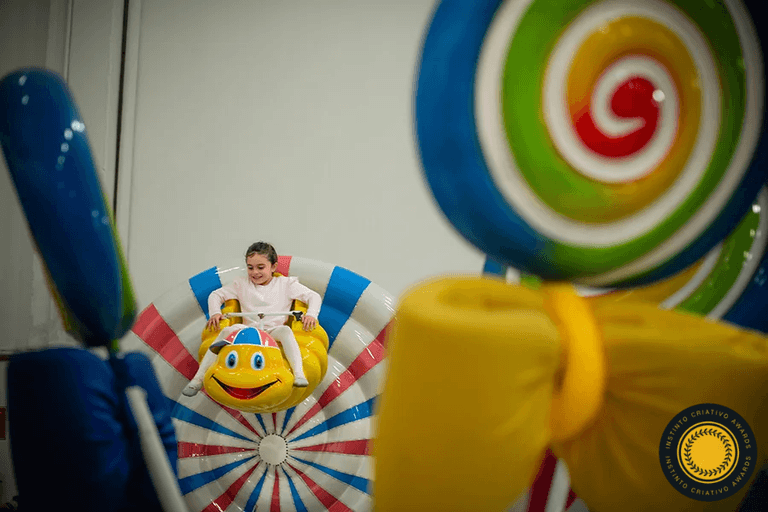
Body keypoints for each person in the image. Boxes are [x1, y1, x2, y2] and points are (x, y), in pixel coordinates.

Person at [182, 242, 321, 396]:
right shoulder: (241, 284)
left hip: (272, 332)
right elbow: (216, 295)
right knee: (227, 331)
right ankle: (198, 378)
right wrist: (215, 312)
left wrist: (311, 314)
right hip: (247, 332)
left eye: (261, 267)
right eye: (250, 267)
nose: (255, 272)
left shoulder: (286, 284)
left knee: (286, 331)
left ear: (273, 267)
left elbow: (313, 296)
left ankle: (299, 374)